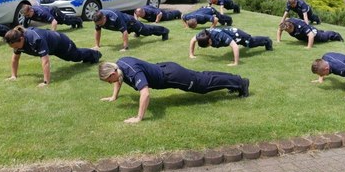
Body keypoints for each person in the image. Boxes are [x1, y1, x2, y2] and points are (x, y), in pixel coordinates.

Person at [98, 56, 250, 123]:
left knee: (203, 85)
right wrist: (114, 97)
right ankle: (235, 80)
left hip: (172, 76)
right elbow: (119, 80)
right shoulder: (119, 65)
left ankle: (241, 83)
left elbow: (145, 94)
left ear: (112, 73)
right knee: (202, 77)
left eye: (108, 80)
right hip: (166, 68)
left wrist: (139, 118)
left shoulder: (132, 72)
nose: (110, 83)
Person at [3, 26, 101, 87]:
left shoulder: (36, 39)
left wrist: (46, 82)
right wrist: (13, 76)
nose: (15, 48)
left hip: (61, 43)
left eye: (15, 46)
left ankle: (95, 54)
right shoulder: (18, 42)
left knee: (75, 56)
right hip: (52, 47)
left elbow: (45, 61)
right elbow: (15, 59)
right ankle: (91, 56)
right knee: (72, 57)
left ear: (21, 39)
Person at [93, 9, 169, 51]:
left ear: (104, 18)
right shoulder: (98, 18)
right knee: (139, 32)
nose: (100, 25)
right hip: (126, 24)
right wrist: (97, 45)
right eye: (98, 24)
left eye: (101, 23)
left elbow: (124, 32)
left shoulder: (115, 17)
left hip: (131, 23)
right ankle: (137, 33)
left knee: (146, 31)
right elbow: (97, 31)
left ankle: (164, 31)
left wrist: (125, 47)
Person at [189, 27, 272, 66]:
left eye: (208, 45)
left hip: (237, 35)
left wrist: (235, 63)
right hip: (230, 34)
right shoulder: (202, 35)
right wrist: (191, 54)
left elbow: (235, 46)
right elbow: (192, 40)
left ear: (209, 41)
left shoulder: (219, 35)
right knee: (249, 44)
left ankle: (267, 40)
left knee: (250, 43)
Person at [277, 18, 343, 49]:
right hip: (304, 35)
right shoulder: (285, 24)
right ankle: (320, 31)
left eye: (287, 30)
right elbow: (280, 29)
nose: (286, 31)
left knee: (323, 38)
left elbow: (311, 35)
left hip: (312, 33)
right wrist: (278, 40)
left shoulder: (301, 26)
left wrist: (309, 47)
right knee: (306, 38)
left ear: (291, 27)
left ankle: (336, 35)